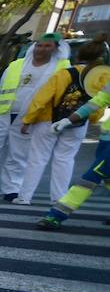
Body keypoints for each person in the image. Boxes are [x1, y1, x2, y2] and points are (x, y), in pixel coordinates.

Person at [0, 34, 68, 200]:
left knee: (19, 155)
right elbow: (2, 89)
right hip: (3, 114)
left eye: (47, 46)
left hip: (30, 118)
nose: (41, 49)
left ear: (56, 49)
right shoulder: (16, 65)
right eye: (39, 45)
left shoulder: (60, 68)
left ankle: (12, 189)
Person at [17, 36, 109, 206]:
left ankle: (24, 196)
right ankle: (58, 198)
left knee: (37, 158)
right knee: (65, 159)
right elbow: (99, 104)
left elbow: (43, 97)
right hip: (78, 123)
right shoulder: (103, 77)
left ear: (79, 56)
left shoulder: (65, 73)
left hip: (49, 120)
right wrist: (90, 118)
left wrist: (28, 119)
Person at [36, 76, 110, 230]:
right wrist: (68, 120)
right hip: (105, 140)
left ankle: (56, 215)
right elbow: (96, 102)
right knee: (108, 177)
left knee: (91, 177)